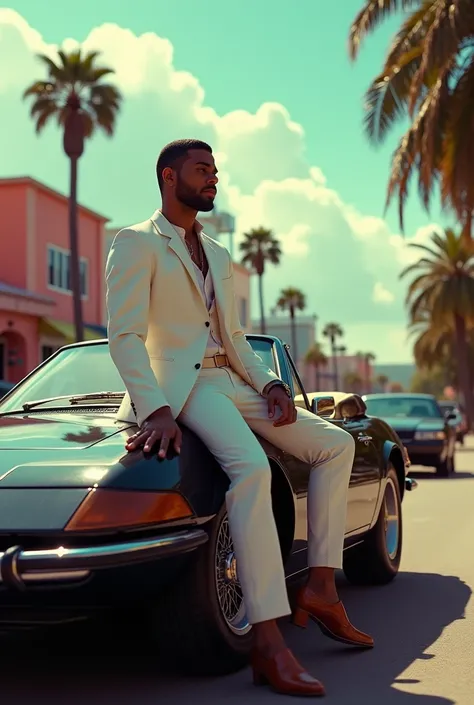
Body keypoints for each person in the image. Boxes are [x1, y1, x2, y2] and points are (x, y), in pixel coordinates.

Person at [105, 138, 373, 698]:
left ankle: (321, 587)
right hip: (184, 385)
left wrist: (271, 383)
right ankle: (268, 645)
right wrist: (155, 408)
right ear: (167, 175)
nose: (213, 178)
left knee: (335, 445)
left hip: (233, 378)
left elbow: (234, 340)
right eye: (202, 170)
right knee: (251, 469)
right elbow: (125, 335)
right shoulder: (135, 242)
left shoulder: (220, 254)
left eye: (215, 171)